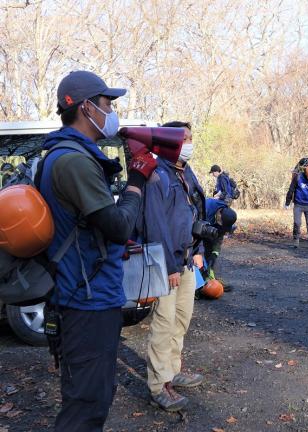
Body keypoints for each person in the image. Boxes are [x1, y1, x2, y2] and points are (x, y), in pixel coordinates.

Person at [40, 71, 156, 431]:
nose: (112, 111)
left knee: (92, 397)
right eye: (108, 103)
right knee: (85, 408)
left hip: (84, 295)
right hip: (85, 303)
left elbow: (93, 228)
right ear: (87, 107)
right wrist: (137, 179)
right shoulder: (73, 161)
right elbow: (118, 226)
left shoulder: (70, 155)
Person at [137, 121, 205, 412]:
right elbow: (156, 224)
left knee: (181, 320)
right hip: (168, 265)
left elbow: (195, 213)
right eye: (184, 139)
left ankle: (173, 369)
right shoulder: (157, 175)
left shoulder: (184, 173)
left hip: (188, 260)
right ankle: (159, 384)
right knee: (163, 324)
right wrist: (169, 266)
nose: (189, 144)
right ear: (169, 142)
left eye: (191, 138)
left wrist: (199, 249)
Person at [204, 197, 238, 291]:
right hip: (197, 229)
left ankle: (213, 281)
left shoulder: (226, 219)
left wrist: (215, 253)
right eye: (221, 223)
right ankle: (200, 285)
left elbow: (219, 236)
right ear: (219, 214)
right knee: (201, 255)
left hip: (210, 231)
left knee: (211, 256)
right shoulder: (206, 207)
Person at [285, 164, 308, 251]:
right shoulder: (298, 178)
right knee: (297, 223)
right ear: (306, 174)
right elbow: (291, 190)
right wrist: (287, 202)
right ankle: (296, 240)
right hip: (298, 204)